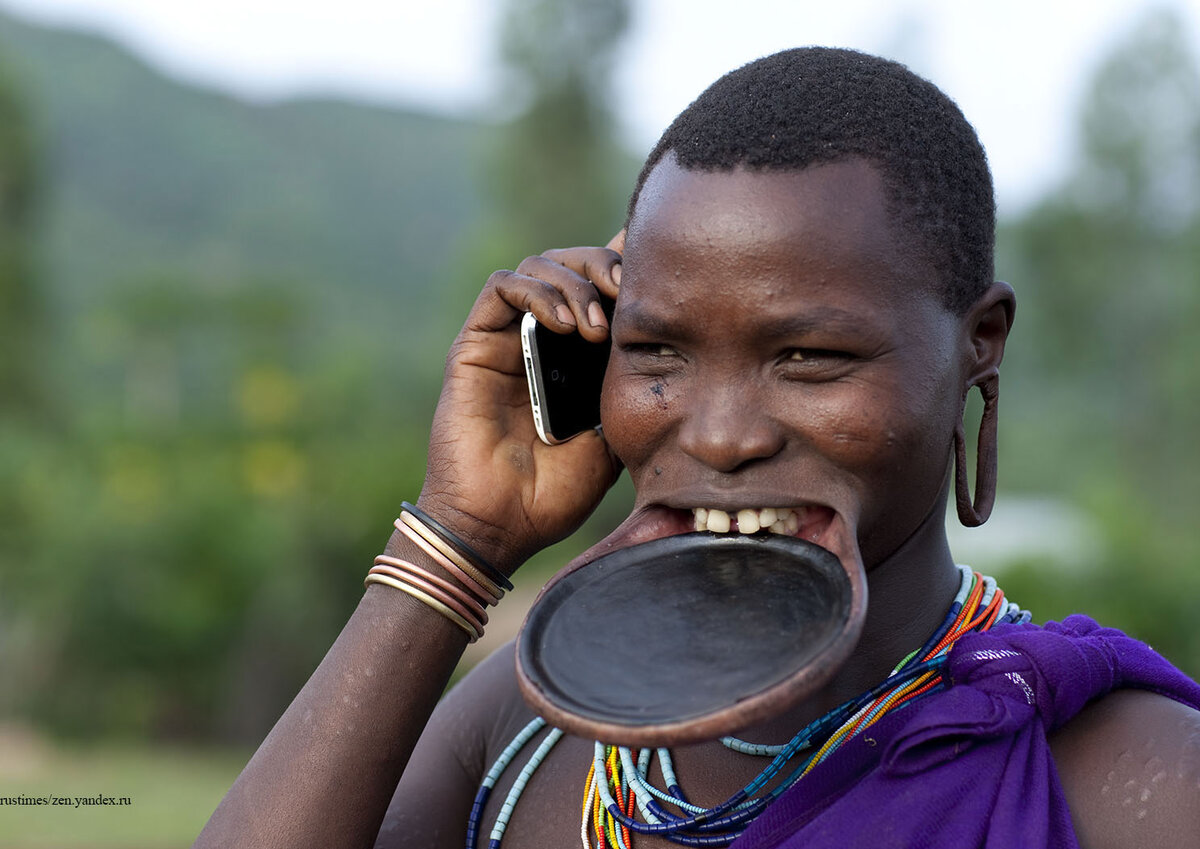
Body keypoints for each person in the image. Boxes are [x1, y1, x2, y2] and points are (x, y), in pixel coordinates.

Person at [194, 48, 1200, 849]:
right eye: (658, 353)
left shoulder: (1122, 778)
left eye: (808, 356)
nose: (719, 435)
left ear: (980, 342)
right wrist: (461, 535)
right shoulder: (528, 733)